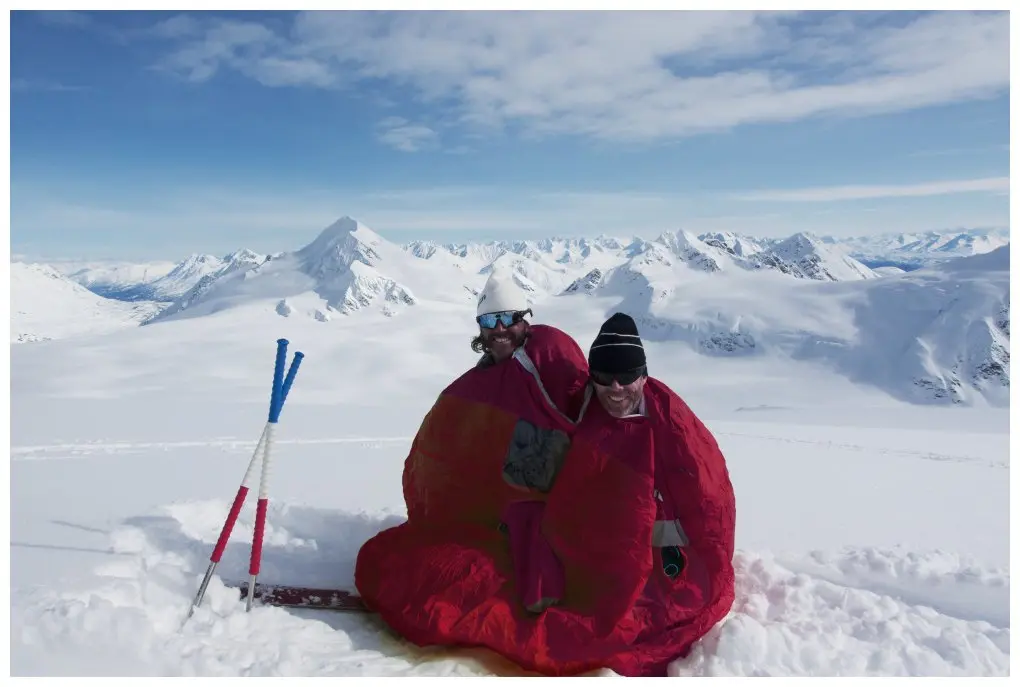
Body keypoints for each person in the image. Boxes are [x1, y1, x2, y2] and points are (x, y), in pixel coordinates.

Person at [354, 301, 736, 678]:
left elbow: (708, 506)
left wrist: (677, 563)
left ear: (644, 374)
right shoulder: (587, 411)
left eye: (627, 376)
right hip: (580, 555)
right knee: (438, 576)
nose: (615, 388)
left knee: (578, 630)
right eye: (604, 377)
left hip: (653, 572)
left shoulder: (672, 427)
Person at [470, 270, 534, 368]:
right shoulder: (479, 379)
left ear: (525, 321)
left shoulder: (553, 364)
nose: (499, 328)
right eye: (488, 320)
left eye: (509, 317)